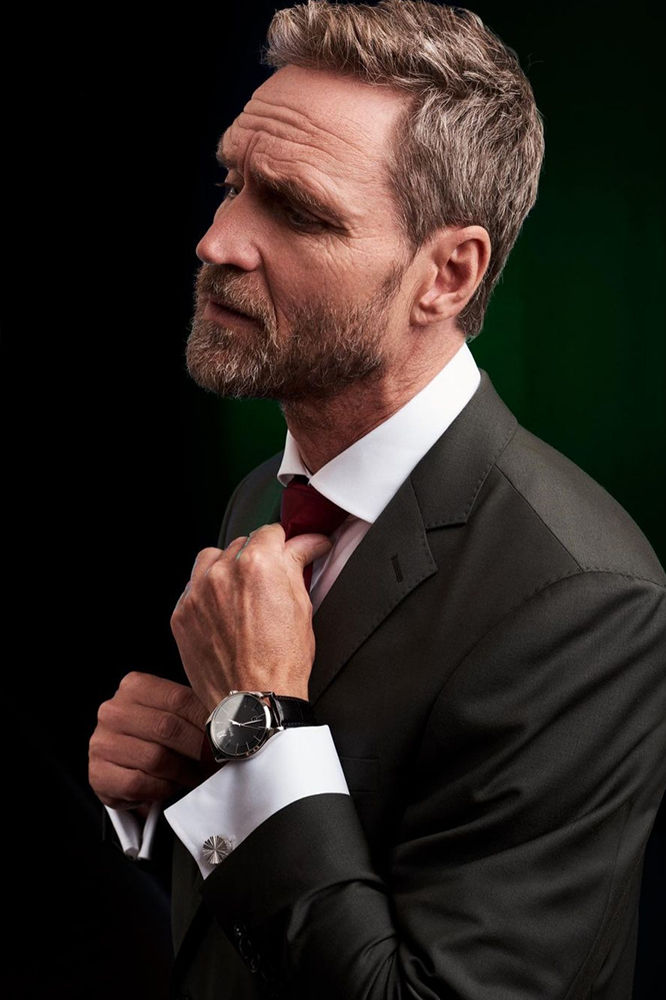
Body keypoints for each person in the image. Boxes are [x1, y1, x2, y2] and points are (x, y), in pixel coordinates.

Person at [88, 2, 666, 998]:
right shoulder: (268, 496)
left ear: (447, 274)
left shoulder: (586, 602)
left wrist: (255, 726)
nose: (218, 241)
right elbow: (262, 904)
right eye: (233, 183)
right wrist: (175, 785)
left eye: (297, 210)